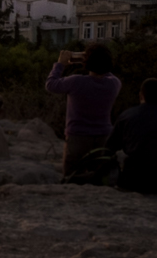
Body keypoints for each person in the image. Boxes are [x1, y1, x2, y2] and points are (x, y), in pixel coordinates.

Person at [45, 43, 123, 181]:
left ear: (87, 62)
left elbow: (51, 84)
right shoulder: (114, 83)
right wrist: (96, 60)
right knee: (100, 177)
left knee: (71, 177)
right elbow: (106, 72)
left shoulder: (76, 82)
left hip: (77, 137)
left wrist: (60, 64)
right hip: (104, 137)